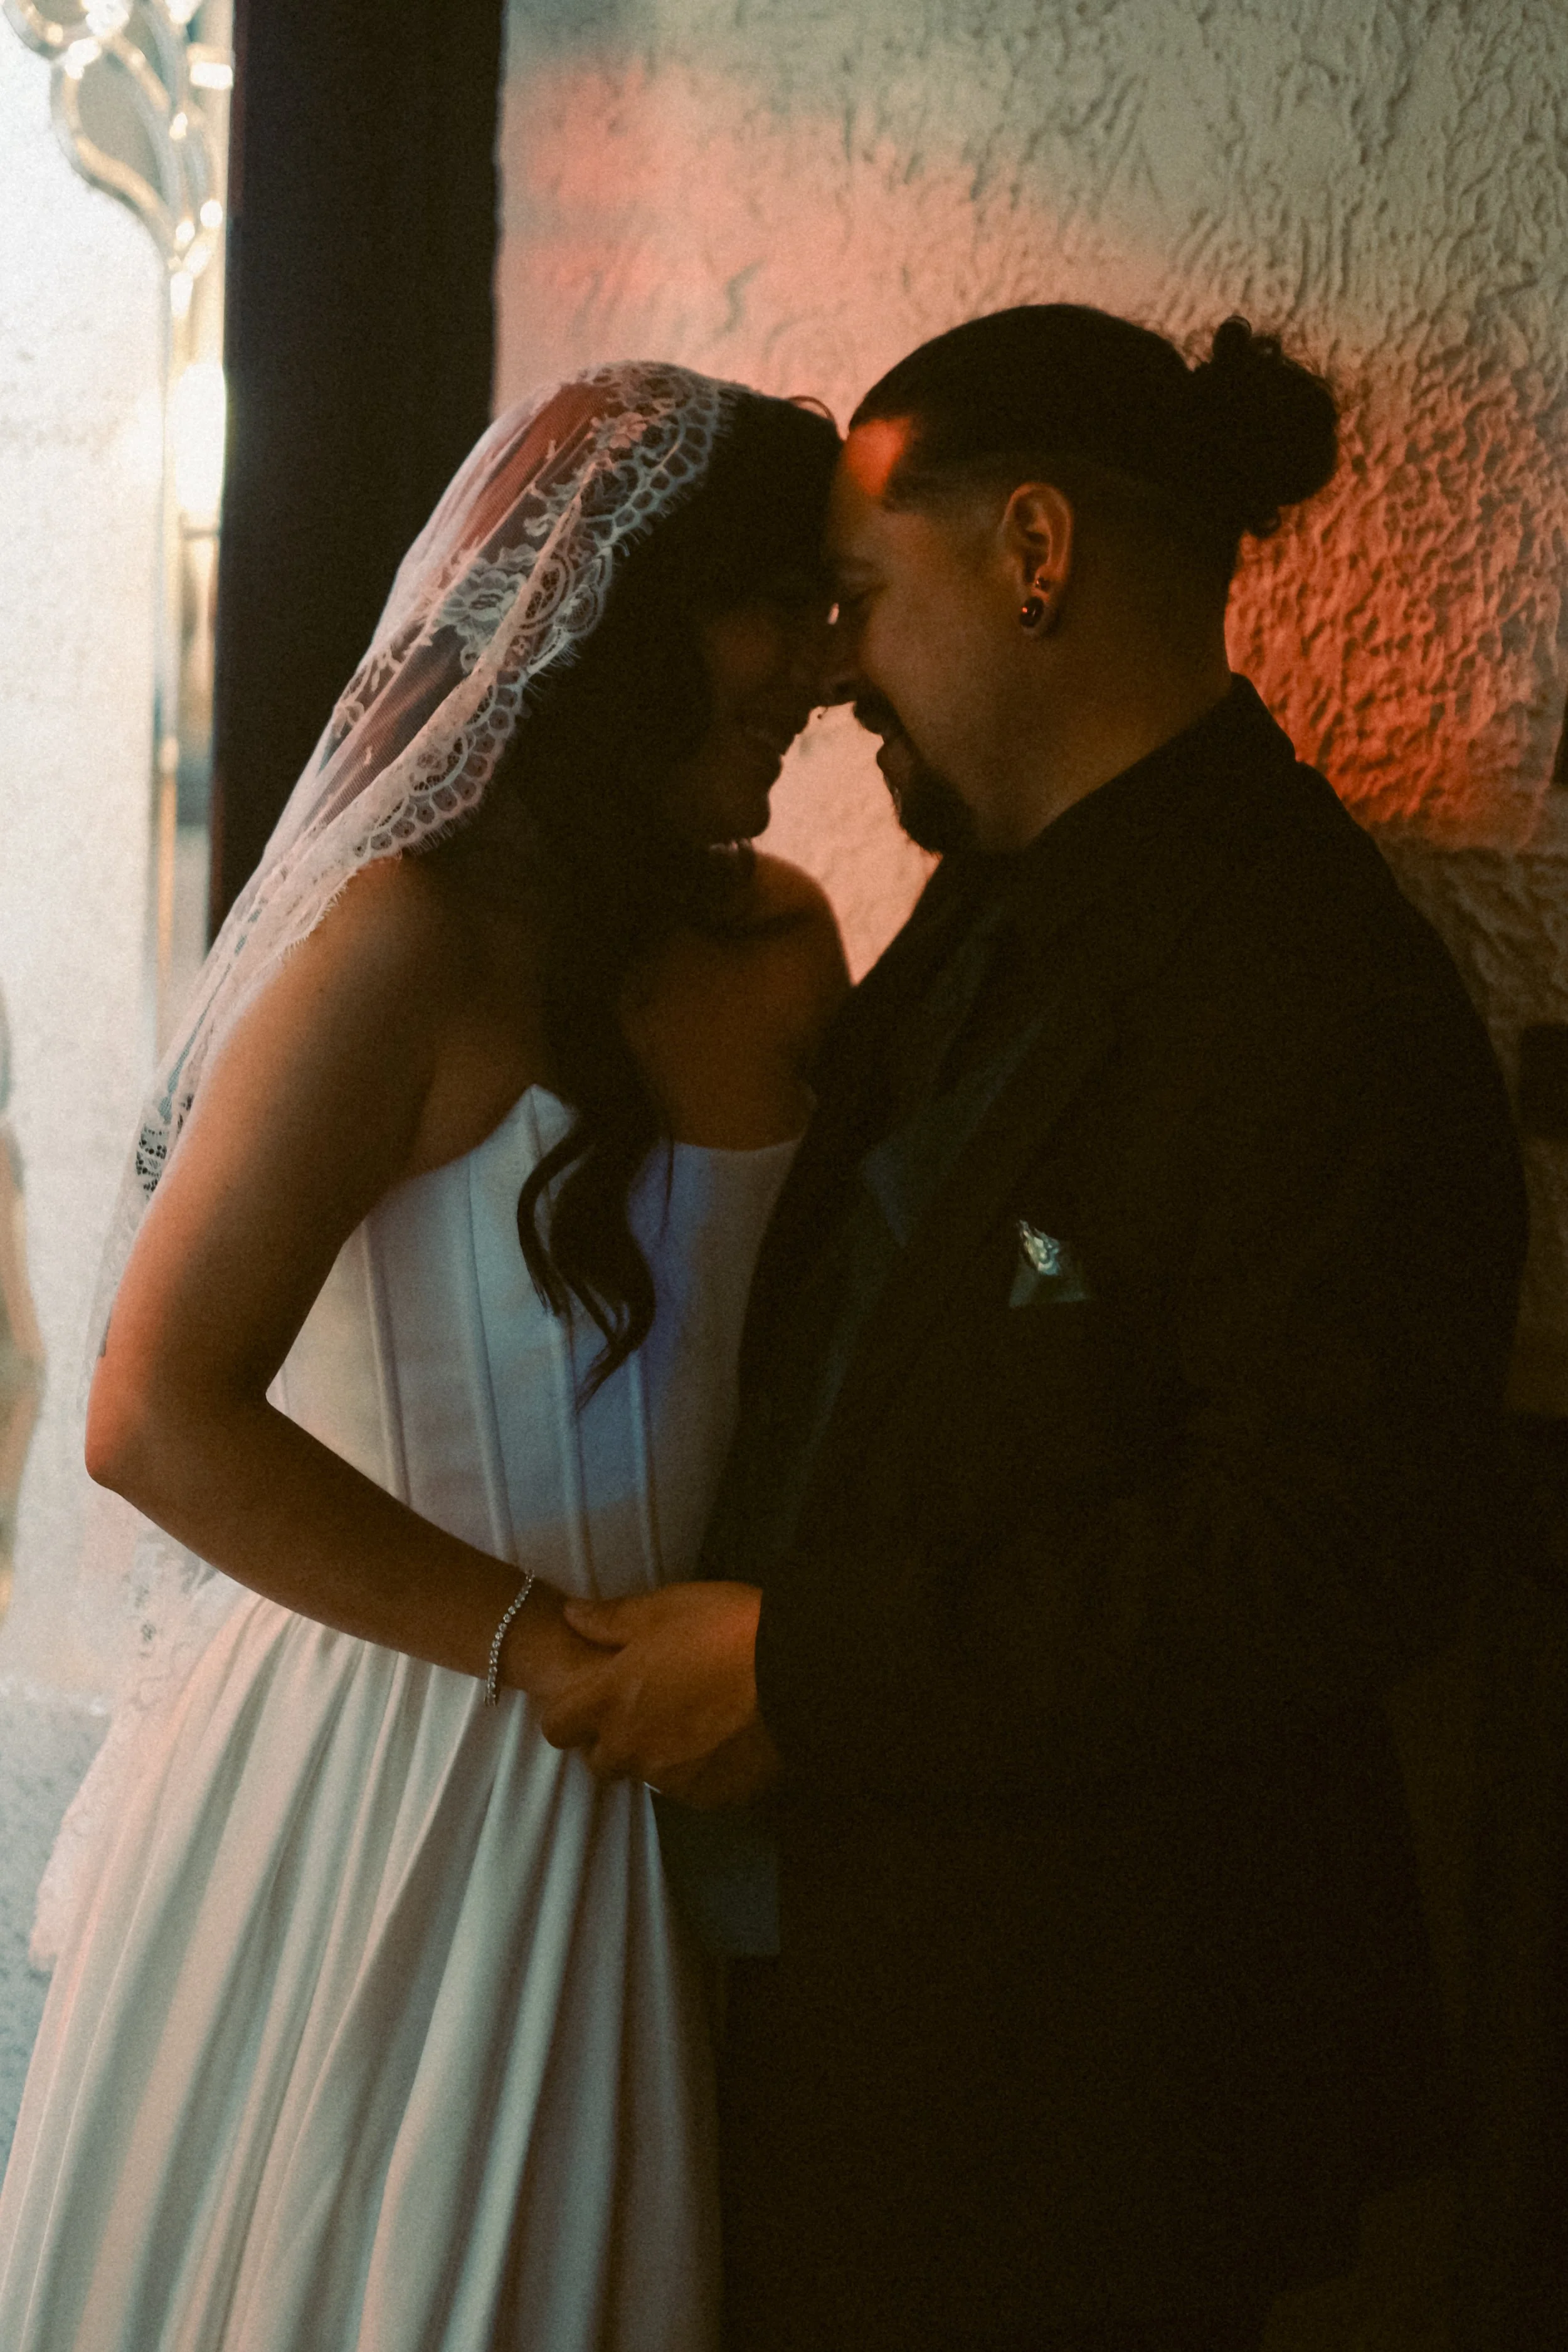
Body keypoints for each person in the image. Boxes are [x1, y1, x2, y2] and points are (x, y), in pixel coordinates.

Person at [539, 309, 1530, 2351]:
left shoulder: (1316, 995)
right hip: (860, 2023)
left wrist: (801, 1662)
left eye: (855, 600)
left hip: (1082, 2080)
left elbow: (1331, 1559)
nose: (826, 673)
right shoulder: (990, 899)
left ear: (1036, 555)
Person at [0, 363, 847, 2352]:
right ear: (625, 624)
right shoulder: (397, 946)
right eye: (776, 603)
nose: (820, 665)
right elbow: (150, 1410)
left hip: (670, 1758)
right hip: (384, 1744)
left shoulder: (791, 945)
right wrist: (544, 1644)